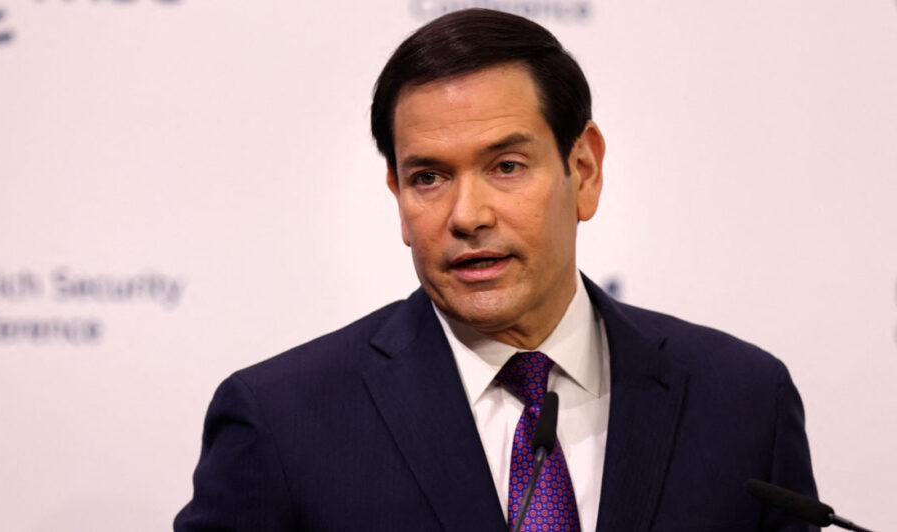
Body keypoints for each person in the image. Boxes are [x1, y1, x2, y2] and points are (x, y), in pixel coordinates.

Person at [174, 8, 816, 532]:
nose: (467, 215)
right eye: (428, 178)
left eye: (506, 166)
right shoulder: (283, 421)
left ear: (583, 171)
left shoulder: (744, 401)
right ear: (398, 198)